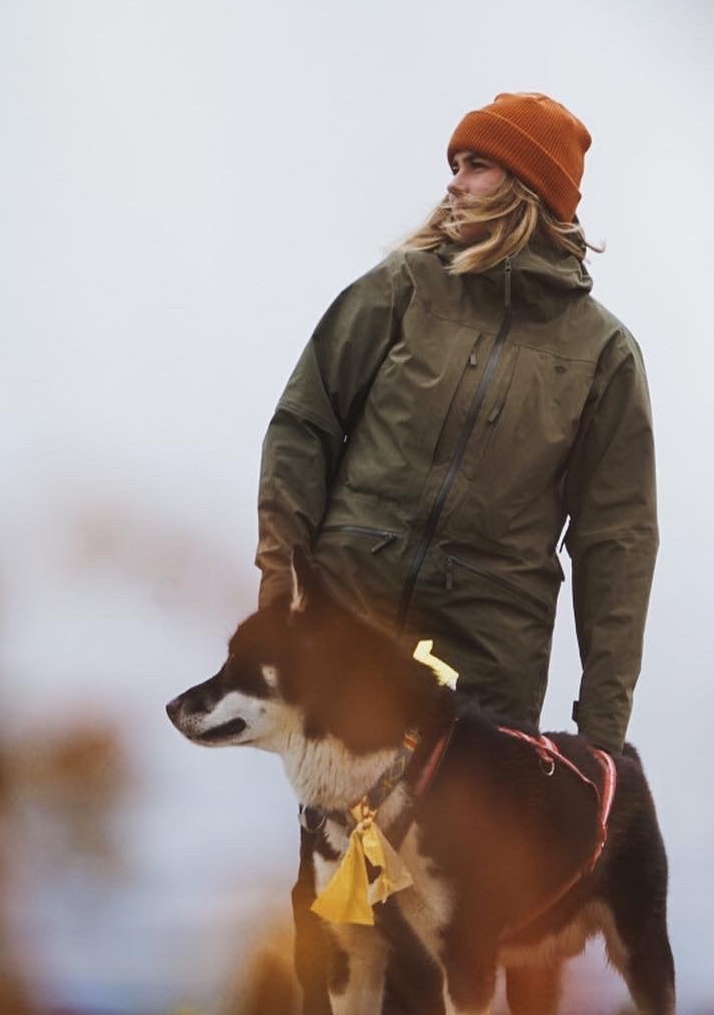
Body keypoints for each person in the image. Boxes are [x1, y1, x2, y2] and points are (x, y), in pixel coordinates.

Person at [255, 91, 658, 758]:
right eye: (456, 165)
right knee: (341, 826)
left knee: (442, 832)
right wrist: (282, 599)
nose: (454, 183)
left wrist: (601, 737)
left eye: (477, 165)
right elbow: (303, 429)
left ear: (527, 187)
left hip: (480, 686)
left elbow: (618, 546)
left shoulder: (603, 355)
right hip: (346, 640)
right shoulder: (402, 287)